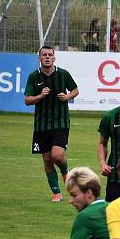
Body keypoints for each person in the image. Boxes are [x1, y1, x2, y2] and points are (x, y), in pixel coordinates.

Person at [24, 45, 79, 203]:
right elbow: (27, 100)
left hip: (60, 122)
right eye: (44, 55)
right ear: (39, 58)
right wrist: (40, 96)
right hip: (41, 125)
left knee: (57, 155)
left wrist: (67, 97)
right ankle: (56, 192)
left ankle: (65, 171)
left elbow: (75, 90)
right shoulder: (34, 76)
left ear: (54, 58)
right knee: (47, 159)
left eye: (50, 55)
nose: (47, 57)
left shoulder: (63, 74)